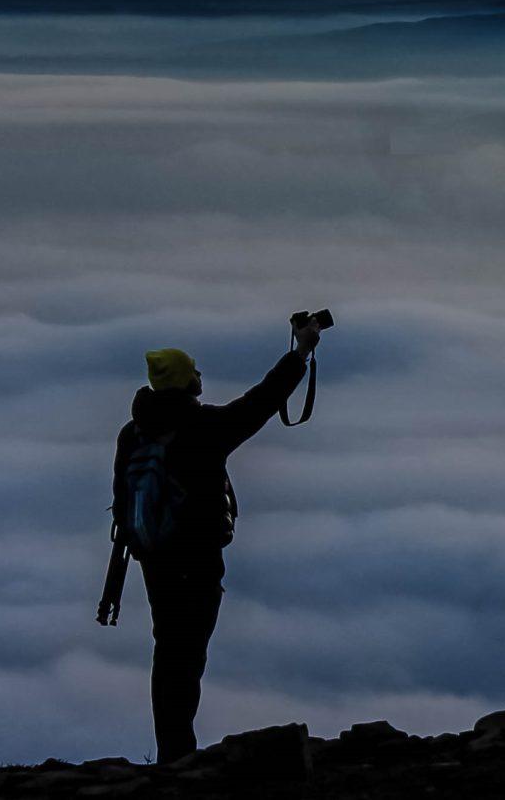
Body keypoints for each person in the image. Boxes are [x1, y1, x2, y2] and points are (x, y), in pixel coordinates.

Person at [111, 319, 320, 761]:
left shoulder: (133, 433)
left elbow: (121, 499)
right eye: (195, 371)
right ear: (186, 380)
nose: (201, 377)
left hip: (154, 560)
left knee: (168, 649)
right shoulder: (202, 428)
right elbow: (260, 402)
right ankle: (177, 755)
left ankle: (171, 748)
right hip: (196, 560)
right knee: (185, 657)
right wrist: (301, 353)